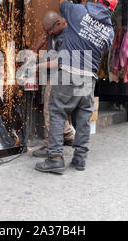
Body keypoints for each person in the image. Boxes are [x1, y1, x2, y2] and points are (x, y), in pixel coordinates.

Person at [35, 0, 117, 173]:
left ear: (96, 1)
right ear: (112, 11)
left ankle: (55, 157)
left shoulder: (78, 11)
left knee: (57, 112)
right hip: (89, 77)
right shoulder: (110, 32)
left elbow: (62, 3)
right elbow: (103, 47)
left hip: (69, 71)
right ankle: (79, 159)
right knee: (83, 118)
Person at [31, 11, 75, 158]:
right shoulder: (53, 32)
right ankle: (68, 135)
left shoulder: (68, 36)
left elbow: (60, 61)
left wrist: (39, 66)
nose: (48, 33)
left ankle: (50, 145)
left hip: (62, 75)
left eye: (49, 30)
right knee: (56, 108)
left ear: (58, 23)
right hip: (52, 74)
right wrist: (38, 44)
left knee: (49, 108)